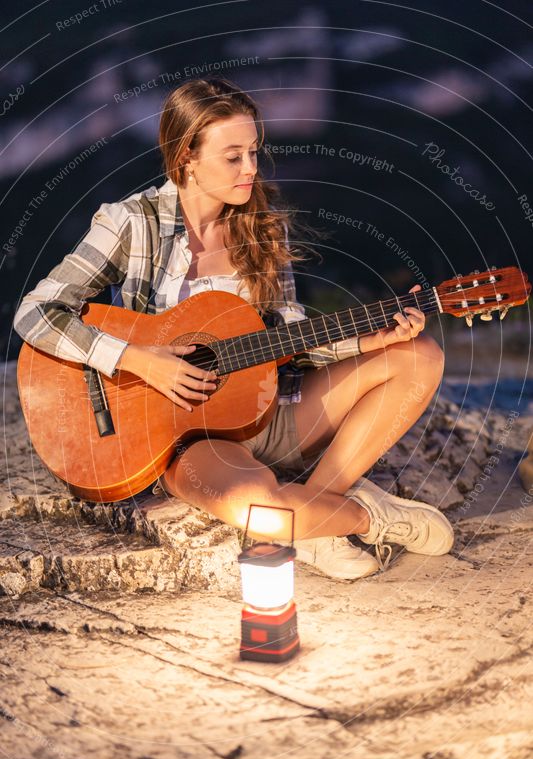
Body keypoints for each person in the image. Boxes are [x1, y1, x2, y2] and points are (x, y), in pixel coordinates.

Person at [13, 77, 453, 581]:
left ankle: (315, 515)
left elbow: (288, 338)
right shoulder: (130, 223)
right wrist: (137, 359)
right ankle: (363, 517)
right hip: (190, 440)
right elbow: (36, 311)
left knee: (421, 356)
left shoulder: (263, 227)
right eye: (233, 156)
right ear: (186, 158)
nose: (251, 169)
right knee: (257, 512)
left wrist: (368, 342)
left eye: (253, 152)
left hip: (272, 411)